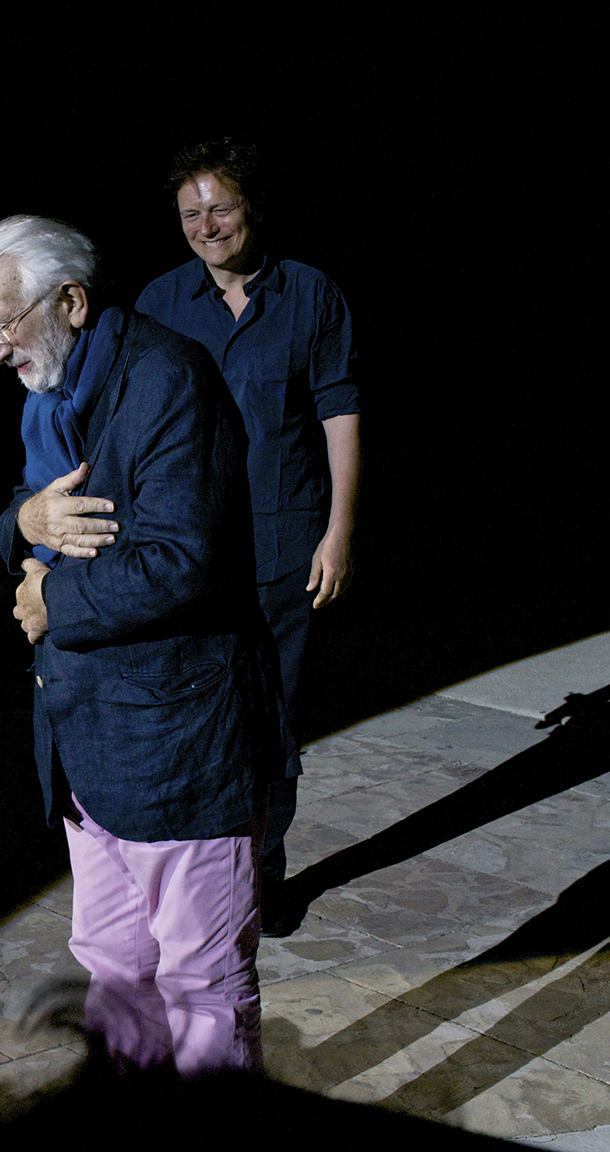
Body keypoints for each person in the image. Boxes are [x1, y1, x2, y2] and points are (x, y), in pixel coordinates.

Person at [0, 215, 290, 1074]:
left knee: (200, 982)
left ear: (70, 299)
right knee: (113, 967)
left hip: (178, 749)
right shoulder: (56, 393)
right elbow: (27, 511)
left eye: (4, 324)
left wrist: (47, 599)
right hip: (88, 743)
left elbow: (181, 563)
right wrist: (24, 525)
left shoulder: (168, 380)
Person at [135, 139, 360, 931]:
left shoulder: (311, 296)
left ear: (251, 207)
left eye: (220, 207)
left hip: (282, 548)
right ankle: (201, 874)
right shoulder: (160, 302)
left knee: (274, 719)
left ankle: (263, 871)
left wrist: (338, 530)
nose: (207, 225)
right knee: (193, 718)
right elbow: (130, 424)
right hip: (188, 552)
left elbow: (340, 414)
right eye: (191, 213)